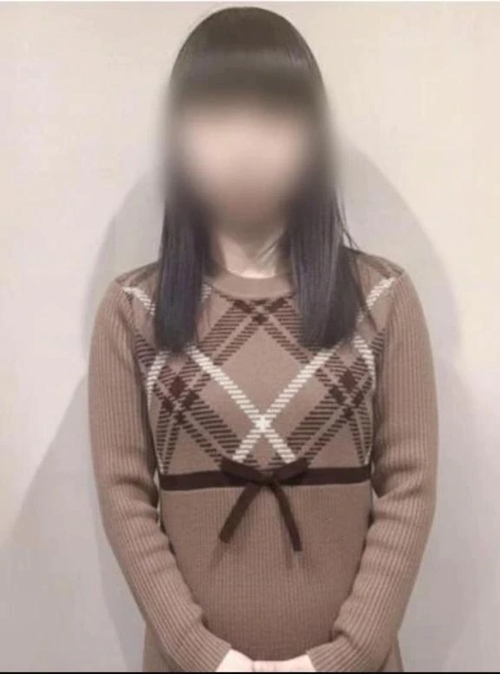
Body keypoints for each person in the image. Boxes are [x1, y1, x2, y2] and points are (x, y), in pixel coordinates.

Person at [88, 7, 438, 673]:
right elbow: (125, 501)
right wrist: (208, 659)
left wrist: (343, 658)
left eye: (274, 116)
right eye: (217, 116)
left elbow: (409, 491)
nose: (245, 144)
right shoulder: (132, 312)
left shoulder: (383, 299)